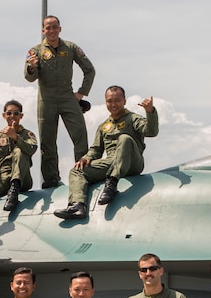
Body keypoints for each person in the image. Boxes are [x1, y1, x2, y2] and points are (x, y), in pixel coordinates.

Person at [54, 86, 157, 220]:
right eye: (109, 101)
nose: (113, 104)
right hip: (111, 163)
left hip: (132, 162)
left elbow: (151, 131)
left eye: (117, 100)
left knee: (124, 138)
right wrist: (86, 158)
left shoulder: (133, 118)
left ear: (124, 101)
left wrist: (150, 112)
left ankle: (111, 184)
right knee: (77, 170)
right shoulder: (104, 126)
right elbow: (96, 150)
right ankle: (77, 206)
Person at [24, 15, 95, 189]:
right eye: (48, 28)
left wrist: (81, 93)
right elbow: (29, 77)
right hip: (46, 99)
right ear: (43, 30)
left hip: (67, 97)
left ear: (60, 29)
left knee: (80, 135)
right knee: (47, 141)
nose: (52, 30)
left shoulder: (71, 48)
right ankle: (51, 179)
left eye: (55, 27)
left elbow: (90, 70)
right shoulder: (35, 51)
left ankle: (83, 172)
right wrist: (32, 67)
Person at [0, 99, 38, 212]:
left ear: (21, 116)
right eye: (9, 113)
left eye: (16, 113)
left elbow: (32, 149)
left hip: (22, 178)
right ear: (4, 115)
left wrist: (16, 137)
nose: (12, 116)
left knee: (19, 151)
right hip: (3, 178)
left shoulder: (27, 134)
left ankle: (14, 189)